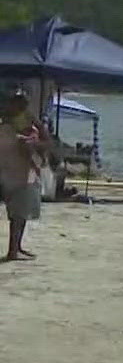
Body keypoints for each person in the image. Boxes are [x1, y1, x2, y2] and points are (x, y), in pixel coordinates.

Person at [2, 92, 47, 262]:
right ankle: (13, 251)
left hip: (23, 173)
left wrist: (35, 135)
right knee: (17, 214)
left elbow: (46, 144)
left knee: (21, 213)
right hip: (14, 174)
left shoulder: (27, 126)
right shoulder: (7, 127)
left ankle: (17, 247)